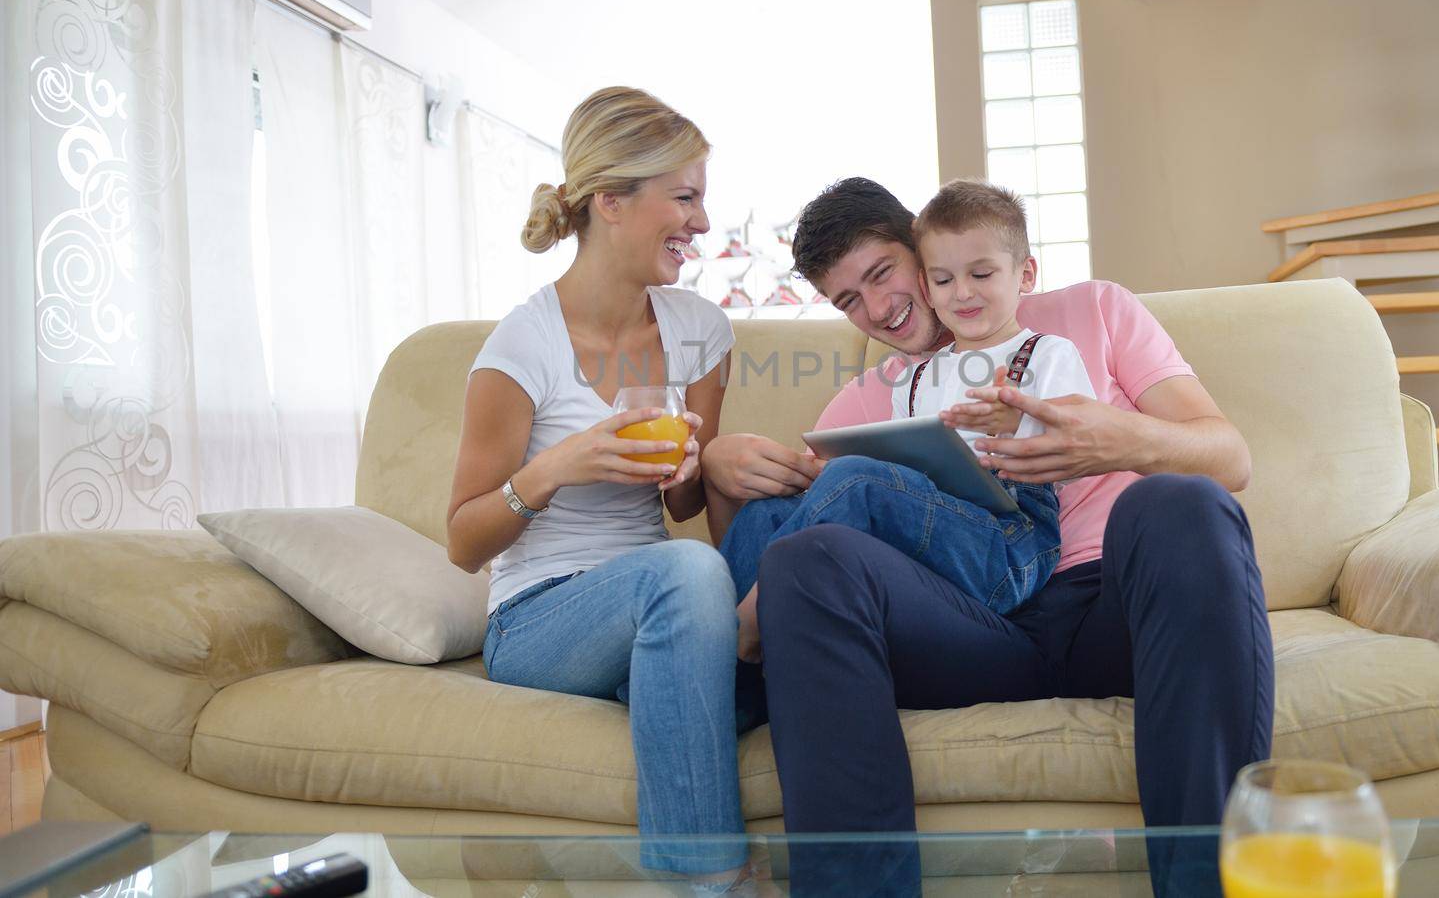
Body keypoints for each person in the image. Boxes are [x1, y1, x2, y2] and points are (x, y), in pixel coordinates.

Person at [702, 177, 1273, 896]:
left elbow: (1231, 458)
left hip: (1115, 606)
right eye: (849, 299)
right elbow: (782, 549)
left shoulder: (1092, 313)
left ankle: (1210, 884)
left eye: (882, 274)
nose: (877, 308)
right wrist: (721, 472)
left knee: (1181, 504)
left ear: (921, 245)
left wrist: (1113, 439)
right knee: (810, 560)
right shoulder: (870, 393)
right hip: (969, 626)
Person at [445, 87, 760, 894]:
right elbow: (464, 539)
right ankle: (707, 882)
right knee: (694, 575)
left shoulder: (700, 330)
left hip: (656, 602)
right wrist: (554, 469)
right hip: (539, 617)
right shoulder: (522, 347)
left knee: (752, 626)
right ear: (611, 202)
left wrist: (694, 471)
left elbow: (682, 511)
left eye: (701, 198)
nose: (699, 222)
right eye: (683, 198)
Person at [718, 180, 1096, 624]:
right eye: (945, 280)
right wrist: (818, 474)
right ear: (930, 280)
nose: (962, 292)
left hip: (1013, 543)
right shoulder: (916, 379)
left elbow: (1080, 444)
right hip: (937, 546)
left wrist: (1019, 425)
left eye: (880, 274)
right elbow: (897, 483)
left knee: (856, 479)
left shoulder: (1048, 352)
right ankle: (712, 647)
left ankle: (745, 623)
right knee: (767, 513)